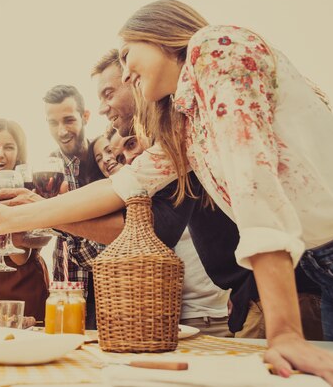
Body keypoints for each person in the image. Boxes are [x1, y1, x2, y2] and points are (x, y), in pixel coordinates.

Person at [0, 0, 333, 386]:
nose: (126, 67)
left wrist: (284, 330)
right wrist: (16, 218)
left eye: (127, 52)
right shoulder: (186, 130)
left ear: (161, 32)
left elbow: (254, 182)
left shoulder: (217, 48)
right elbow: (124, 186)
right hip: (332, 277)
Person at [94, 50, 321, 339]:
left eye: (109, 93)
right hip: (256, 297)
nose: (103, 107)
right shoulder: (177, 139)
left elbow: (159, 231)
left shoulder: (187, 130)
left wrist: (41, 218)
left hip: (280, 298)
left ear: (136, 82)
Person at [91, 132, 232, 337]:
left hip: (215, 316)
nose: (126, 158)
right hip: (162, 322)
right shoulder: (128, 212)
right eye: (119, 157)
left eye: (131, 144)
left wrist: (240, 288)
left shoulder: (182, 183)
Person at [42, 85, 104, 330]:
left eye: (69, 120)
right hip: (67, 289)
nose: (62, 131)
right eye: (52, 122)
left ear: (85, 117)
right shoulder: (47, 169)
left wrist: (58, 220)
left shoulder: (104, 160)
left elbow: (101, 255)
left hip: (110, 290)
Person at [0, 119, 50, 321]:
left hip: (23, 285)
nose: (0, 154)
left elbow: (20, 257)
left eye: (9, 147)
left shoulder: (26, 191)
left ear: (18, 154)